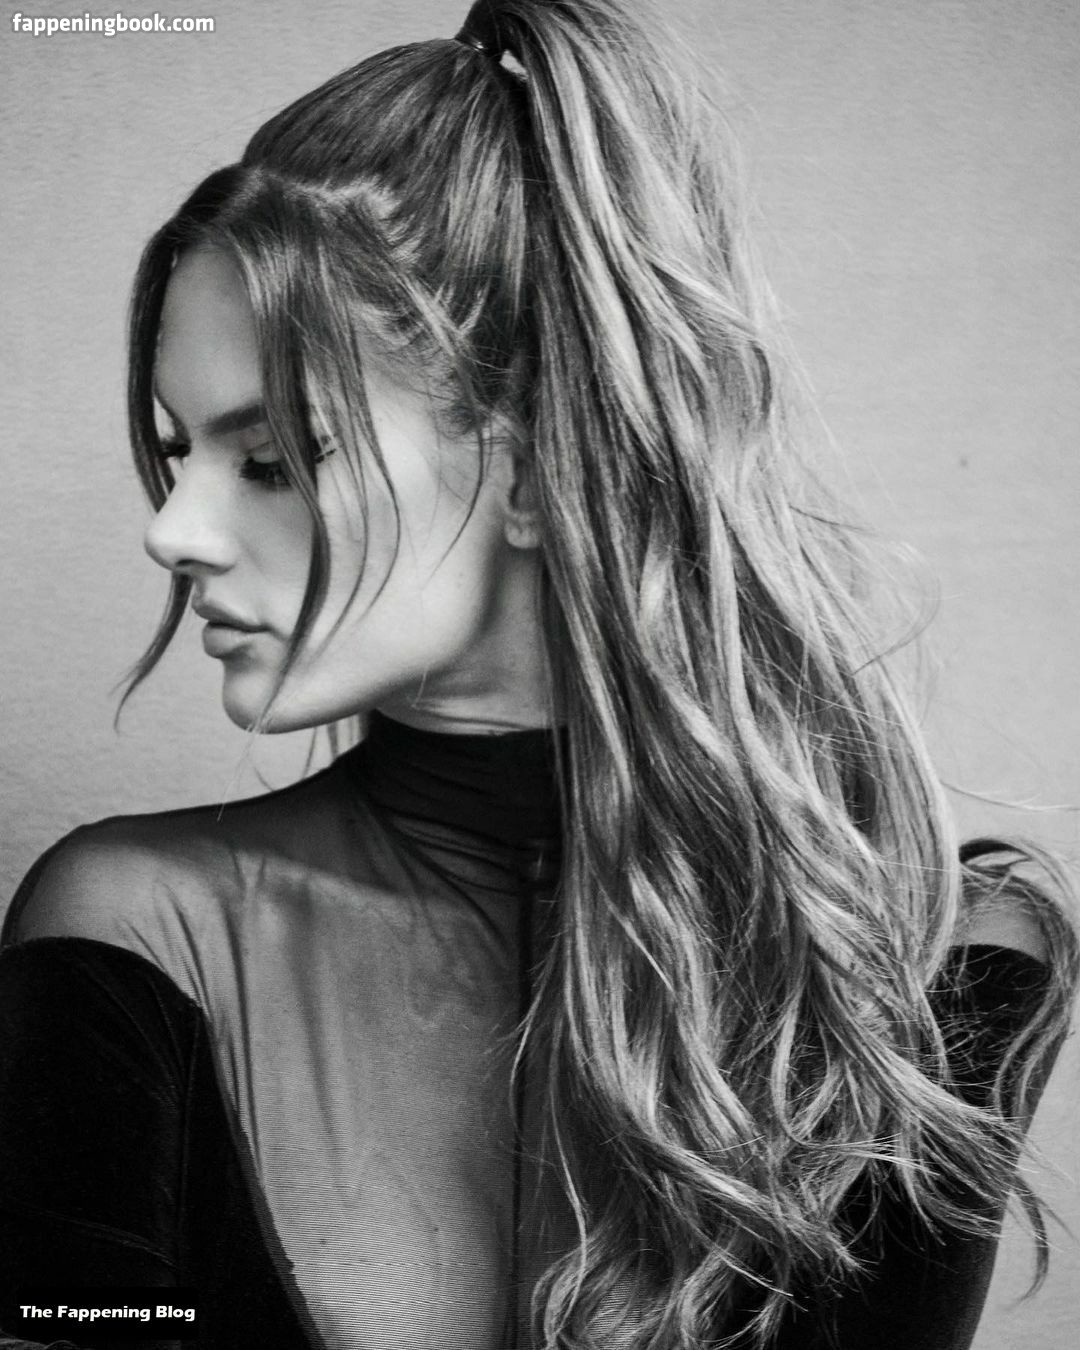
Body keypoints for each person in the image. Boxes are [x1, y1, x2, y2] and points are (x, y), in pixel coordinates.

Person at [0, 1, 1075, 1347]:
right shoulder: (125, 942)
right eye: (179, 454)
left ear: (531, 463)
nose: (174, 530)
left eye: (270, 458)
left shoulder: (927, 963)